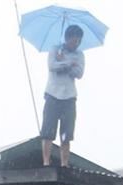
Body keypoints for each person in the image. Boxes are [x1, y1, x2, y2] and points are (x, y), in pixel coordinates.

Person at [41, 24, 85, 168]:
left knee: (66, 134)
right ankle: (46, 162)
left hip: (69, 97)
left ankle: (64, 164)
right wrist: (68, 63)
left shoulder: (79, 54)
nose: (76, 43)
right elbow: (52, 66)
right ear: (67, 38)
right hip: (52, 94)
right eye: (74, 40)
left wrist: (64, 62)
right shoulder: (55, 49)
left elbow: (79, 73)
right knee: (48, 131)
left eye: (78, 41)